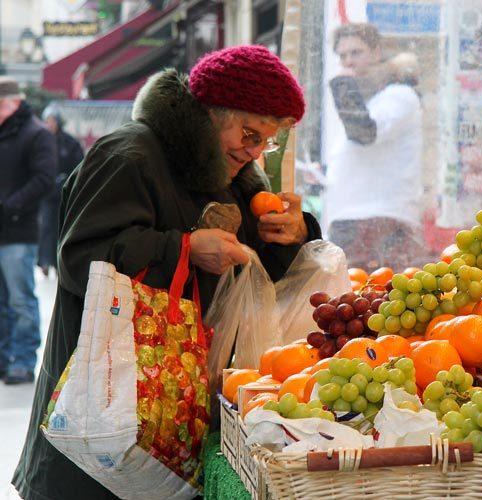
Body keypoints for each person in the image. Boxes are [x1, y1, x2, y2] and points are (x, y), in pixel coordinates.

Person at [13, 45, 321, 500]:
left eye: (267, 141)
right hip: (101, 418)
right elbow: (81, 258)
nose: (255, 152)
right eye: (250, 133)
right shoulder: (127, 156)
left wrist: (290, 236)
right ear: (212, 112)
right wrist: (183, 250)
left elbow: (258, 283)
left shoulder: (237, 176)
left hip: (173, 415)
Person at [325, 22, 426, 271]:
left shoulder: (399, 96)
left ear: (376, 53)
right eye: (343, 55)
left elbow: (364, 133)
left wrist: (342, 87)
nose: (348, 62)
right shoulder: (366, 101)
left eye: (356, 53)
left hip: (381, 217)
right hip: (349, 217)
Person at [0, 77, 57, 385]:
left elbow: (44, 179)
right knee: (3, 301)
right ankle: (5, 357)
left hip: (18, 233)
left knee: (20, 299)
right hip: (5, 232)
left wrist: (10, 206)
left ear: (13, 103)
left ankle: (22, 360)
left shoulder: (35, 134)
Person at [38, 103, 85, 277]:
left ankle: (59, 263)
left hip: (65, 192)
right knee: (46, 227)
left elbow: (80, 165)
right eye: (47, 121)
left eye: (53, 120)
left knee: (62, 227)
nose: (50, 124)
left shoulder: (70, 143)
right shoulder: (40, 141)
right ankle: (44, 261)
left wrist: (67, 180)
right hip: (47, 193)